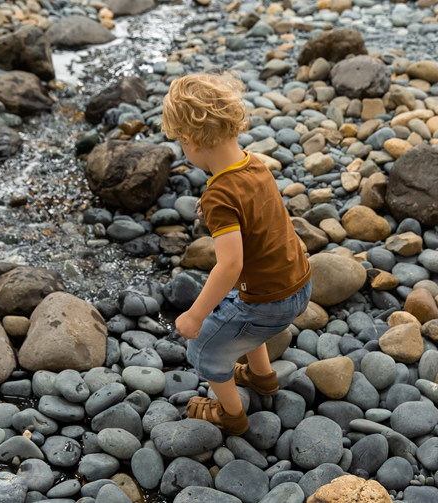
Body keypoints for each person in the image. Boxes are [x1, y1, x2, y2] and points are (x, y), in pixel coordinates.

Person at [161, 72, 312, 435]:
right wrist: (211, 205)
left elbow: (231, 264)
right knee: (242, 317)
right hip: (298, 284)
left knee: (203, 352)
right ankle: (263, 379)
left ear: (191, 142)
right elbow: (252, 210)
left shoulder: (219, 197)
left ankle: (231, 415)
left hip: (268, 301)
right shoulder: (254, 164)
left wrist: (195, 316)